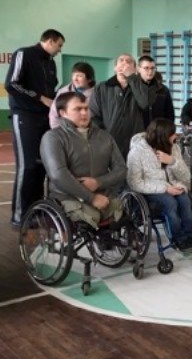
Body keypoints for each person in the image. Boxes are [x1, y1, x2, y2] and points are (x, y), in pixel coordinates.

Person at [5, 29, 65, 226]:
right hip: (25, 116)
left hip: (45, 118)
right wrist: (40, 98)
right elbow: (11, 84)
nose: (60, 49)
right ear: (50, 41)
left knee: (41, 166)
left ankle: (36, 211)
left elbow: (51, 90)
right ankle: (19, 216)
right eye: (59, 45)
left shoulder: (51, 63)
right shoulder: (24, 54)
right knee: (27, 166)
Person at [40, 92, 126, 229]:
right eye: (78, 109)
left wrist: (98, 182)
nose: (84, 113)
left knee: (123, 214)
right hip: (67, 197)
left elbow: (121, 169)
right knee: (92, 217)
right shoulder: (53, 138)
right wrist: (91, 198)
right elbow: (58, 175)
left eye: (86, 108)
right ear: (63, 113)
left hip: (103, 195)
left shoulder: (104, 137)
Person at [127, 118, 192, 250]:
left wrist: (173, 161)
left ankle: (191, 235)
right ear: (162, 137)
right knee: (170, 202)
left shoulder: (174, 147)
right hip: (149, 191)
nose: (176, 136)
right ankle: (178, 238)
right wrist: (165, 188)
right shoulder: (137, 152)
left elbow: (186, 177)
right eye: (172, 134)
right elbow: (134, 183)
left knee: (185, 200)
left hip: (172, 185)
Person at [90, 53, 157, 160]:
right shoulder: (101, 88)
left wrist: (132, 77)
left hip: (135, 143)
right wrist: (104, 136)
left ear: (135, 69)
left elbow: (145, 103)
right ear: (115, 68)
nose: (125, 63)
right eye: (121, 60)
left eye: (129, 61)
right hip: (109, 143)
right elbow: (93, 116)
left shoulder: (142, 86)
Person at [49, 62, 95, 129]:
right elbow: (54, 115)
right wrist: (58, 132)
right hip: (64, 132)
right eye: (74, 75)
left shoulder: (97, 94)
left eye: (80, 76)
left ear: (89, 79)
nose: (75, 79)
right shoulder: (63, 91)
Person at [142, 62, 175, 127]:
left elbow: (170, 112)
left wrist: (169, 127)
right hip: (142, 127)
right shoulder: (140, 89)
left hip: (160, 127)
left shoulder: (165, 90)